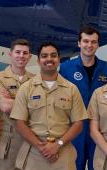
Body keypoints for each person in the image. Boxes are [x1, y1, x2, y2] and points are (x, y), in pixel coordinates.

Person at [11, 42, 88, 170]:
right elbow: (19, 122)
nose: (49, 59)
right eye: (44, 56)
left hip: (62, 152)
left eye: (53, 55)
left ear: (58, 59)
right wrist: (41, 147)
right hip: (34, 152)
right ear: (39, 60)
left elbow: (78, 123)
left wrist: (58, 144)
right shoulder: (26, 88)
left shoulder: (71, 89)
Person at [59, 25, 107, 170]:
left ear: (98, 44)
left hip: (100, 129)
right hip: (75, 129)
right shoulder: (65, 68)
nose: (89, 45)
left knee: (99, 165)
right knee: (74, 165)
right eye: (86, 41)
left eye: (93, 42)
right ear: (79, 43)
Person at [0, 38, 35, 170]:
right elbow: (5, 106)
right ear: (10, 54)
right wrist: (30, 102)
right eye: (18, 52)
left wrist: (13, 100)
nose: (21, 56)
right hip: (9, 143)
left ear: (30, 56)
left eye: (25, 53)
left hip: (31, 141)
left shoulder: (35, 80)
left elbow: (41, 108)